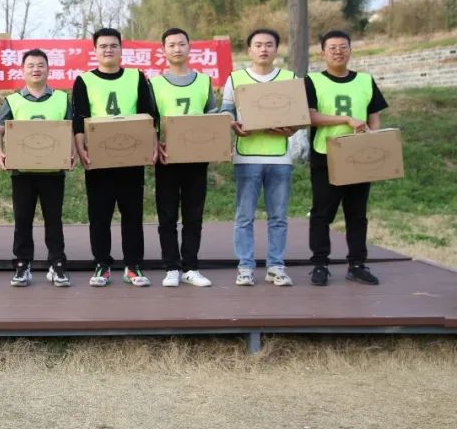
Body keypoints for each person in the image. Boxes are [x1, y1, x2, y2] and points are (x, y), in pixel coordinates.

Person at [72, 27, 158, 288]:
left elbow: (148, 114)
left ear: (121, 49)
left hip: (131, 156)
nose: (108, 50)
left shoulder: (136, 77)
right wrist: (80, 147)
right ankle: (102, 264)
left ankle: (133, 265)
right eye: (103, 46)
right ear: (95, 50)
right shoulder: (84, 80)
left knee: (132, 213)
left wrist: (152, 143)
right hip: (99, 158)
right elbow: (79, 118)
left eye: (113, 45)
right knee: (99, 215)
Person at [305, 30, 388, 286]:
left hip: (359, 154)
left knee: (357, 213)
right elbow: (310, 116)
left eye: (343, 47)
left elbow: (374, 115)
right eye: (332, 48)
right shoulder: (312, 80)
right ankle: (320, 264)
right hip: (326, 154)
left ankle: (357, 264)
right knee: (322, 213)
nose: (338, 52)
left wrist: (373, 137)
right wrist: (345, 119)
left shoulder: (365, 80)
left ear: (350, 50)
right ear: (323, 53)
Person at [221, 28, 297, 287]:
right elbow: (227, 111)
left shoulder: (289, 78)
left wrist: (292, 128)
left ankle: (276, 266)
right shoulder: (236, 78)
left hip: (280, 158)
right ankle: (245, 267)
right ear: (249, 50)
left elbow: (299, 116)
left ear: (276, 49)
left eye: (269, 44)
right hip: (247, 157)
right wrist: (233, 124)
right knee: (244, 217)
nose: (263, 49)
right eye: (258, 45)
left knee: (279, 217)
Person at [0, 49, 73, 288]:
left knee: (54, 220)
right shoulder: (13, 100)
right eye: (31, 65)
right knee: (22, 219)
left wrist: (72, 152)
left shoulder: (62, 99)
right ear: (23, 70)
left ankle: (57, 264)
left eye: (40, 65)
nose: (36, 69)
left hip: (53, 172)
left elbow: (70, 129)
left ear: (48, 69)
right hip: (22, 173)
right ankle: (22, 264)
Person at [150, 28, 217, 288]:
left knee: (193, 215)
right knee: (167, 215)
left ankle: (191, 267)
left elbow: (213, 118)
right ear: (163, 50)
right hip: (167, 158)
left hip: (197, 158)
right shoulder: (154, 84)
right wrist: (156, 143)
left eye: (181, 44)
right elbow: (149, 121)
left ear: (189, 47)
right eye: (171, 45)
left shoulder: (204, 81)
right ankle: (171, 268)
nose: (177, 49)